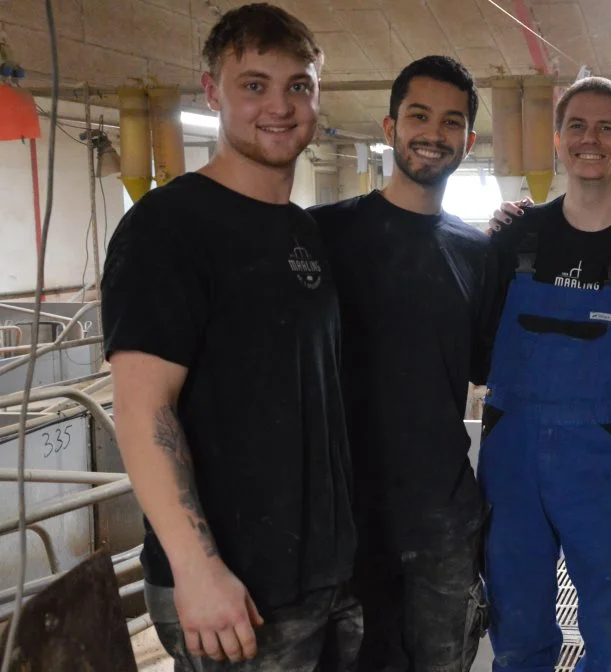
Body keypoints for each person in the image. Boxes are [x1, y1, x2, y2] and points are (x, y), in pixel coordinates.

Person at [101, 3, 360, 670]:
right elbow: (141, 407)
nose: (279, 105)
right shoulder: (169, 227)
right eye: (254, 85)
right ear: (213, 91)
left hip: (321, 577)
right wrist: (197, 570)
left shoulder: (301, 230)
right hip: (235, 590)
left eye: (297, 85)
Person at [480, 76, 611, 672]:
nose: (590, 139)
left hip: (606, 459)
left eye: (606, 128)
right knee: (515, 626)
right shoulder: (515, 234)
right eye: (577, 126)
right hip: (512, 456)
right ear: (557, 140)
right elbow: (467, 344)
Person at [309, 55, 494, 672]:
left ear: (468, 140)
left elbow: (486, 369)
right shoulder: (322, 237)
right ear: (389, 126)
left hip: (441, 516)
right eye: (419, 115)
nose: (433, 133)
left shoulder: (476, 253)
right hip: (343, 515)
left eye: (451, 121)